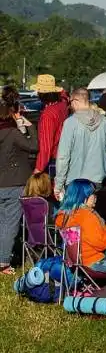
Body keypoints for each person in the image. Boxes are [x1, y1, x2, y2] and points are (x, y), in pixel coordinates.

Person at [55, 88, 106, 199]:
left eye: (70, 103)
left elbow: (63, 156)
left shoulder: (70, 123)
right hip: (98, 180)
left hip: (74, 182)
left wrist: (58, 184)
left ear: (75, 101)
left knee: (75, 215)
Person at [0, 91, 38, 275]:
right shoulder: (12, 133)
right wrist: (30, 128)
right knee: (10, 224)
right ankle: (3, 262)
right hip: (14, 182)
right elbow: (33, 147)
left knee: (2, 222)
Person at [32, 74, 69, 176]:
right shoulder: (62, 105)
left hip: (53, 159)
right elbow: (64, 96)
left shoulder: (48, 114)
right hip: (63, 155)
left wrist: (38, 168)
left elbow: (46, 145)